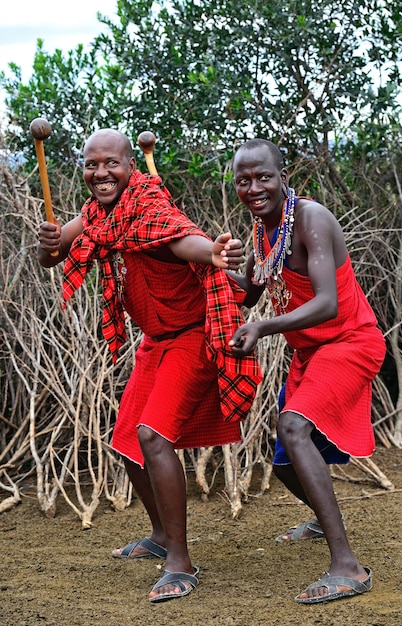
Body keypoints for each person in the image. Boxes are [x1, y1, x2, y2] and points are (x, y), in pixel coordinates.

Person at [37, 129, 262, 603]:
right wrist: (48, 243)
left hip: (193, 339)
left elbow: (185, 242)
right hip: (156, 343)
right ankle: (159, 535)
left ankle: (180, 560)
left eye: (111, 164)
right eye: (91, 164)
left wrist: (215, 253)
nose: (101, 174)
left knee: (153, 437)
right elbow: (53, 257)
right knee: (126, 442)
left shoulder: (149, 209)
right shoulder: (98, 214)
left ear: (130, 166)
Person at [228, 139, 386, 604]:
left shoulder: (310, 219)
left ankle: (348, 567)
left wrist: (262, 327)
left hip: (350, 343)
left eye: (263, 177)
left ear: (283, 178)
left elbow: (326, 302)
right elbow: (254, 291)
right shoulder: (262, 227)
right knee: (284, 465)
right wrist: (223, 271)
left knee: (292, 427)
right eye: (243, 180)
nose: (253, 187)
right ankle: (322, 518)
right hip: (311, 354)